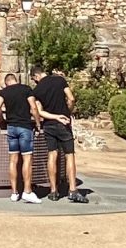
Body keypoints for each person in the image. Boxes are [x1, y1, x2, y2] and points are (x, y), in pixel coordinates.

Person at [31, 61, 86, 202]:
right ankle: (73, 189)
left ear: (36, 76)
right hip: (64, 124)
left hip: (49, 125)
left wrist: (54, 117)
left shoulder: (37, 90)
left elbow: (39, 111)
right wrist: (68, 112)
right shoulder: (60, 80)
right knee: (70, 155)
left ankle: (53, 191)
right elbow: (72, 98)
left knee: (52, 155)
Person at [0, 71, 42, 202]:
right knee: (27, 159)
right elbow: (33, 107)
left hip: (11, 127)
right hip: (25, 127)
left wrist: (1, 118)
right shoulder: (26, 89)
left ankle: (14, 192)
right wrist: (38, 123)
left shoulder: (3, 92)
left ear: (6, 83)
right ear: (16, 80)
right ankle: (27, 191)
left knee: (13, 160)